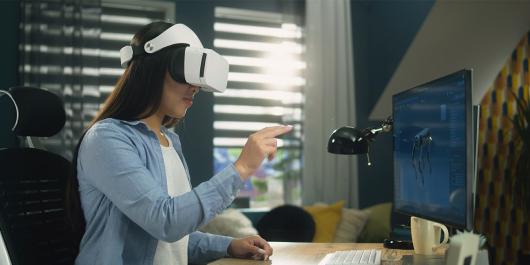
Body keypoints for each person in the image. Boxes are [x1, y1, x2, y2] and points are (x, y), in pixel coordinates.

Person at [69, 21, 292, 265]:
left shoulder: (169, 141)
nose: (194, 87)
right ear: (152, 69)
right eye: (185, 72)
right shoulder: (107, 139)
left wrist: (228, 245)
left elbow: (171, 242)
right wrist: (242, 168)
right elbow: (166, 222)